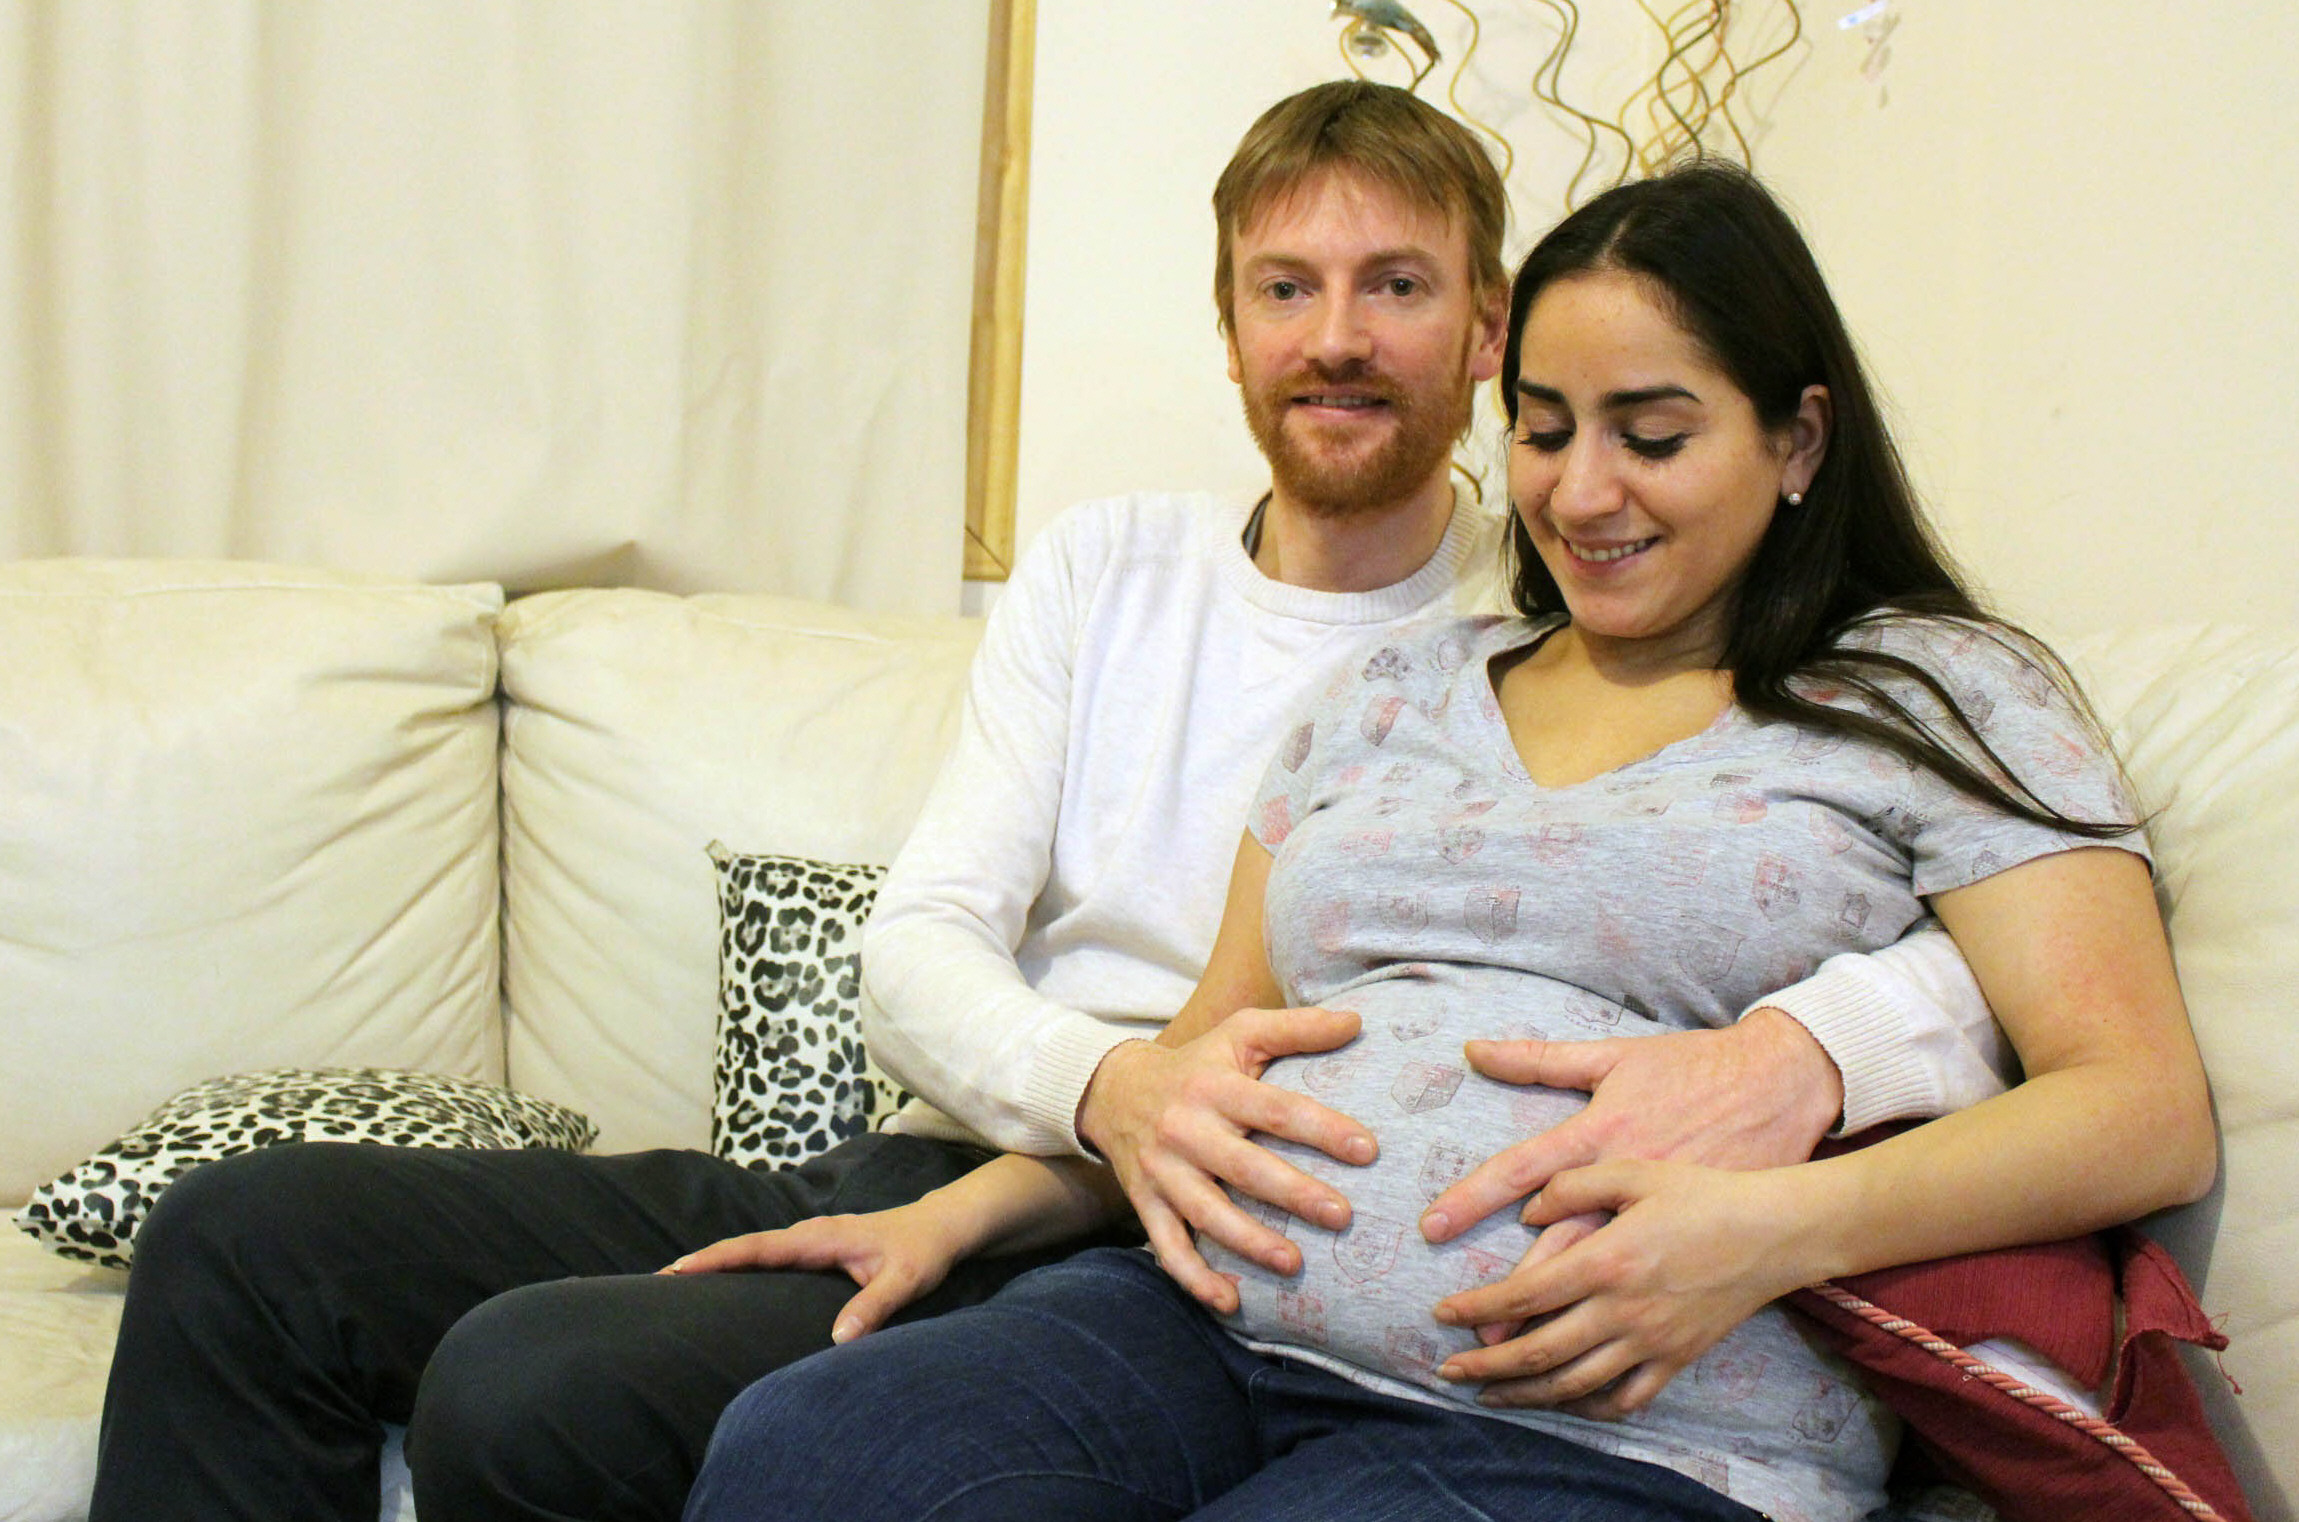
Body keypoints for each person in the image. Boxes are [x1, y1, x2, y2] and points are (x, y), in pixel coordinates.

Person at [89, 85, 1994, 1522]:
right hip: (995, 1151)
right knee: (246, 1238)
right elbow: (921, 941)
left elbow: (1909, 891)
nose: (1337, 336)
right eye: (1287, 287)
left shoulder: (1573, 611)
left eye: (1398, 288)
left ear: (1488, 331)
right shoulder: (1110, 571)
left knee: (532, 1386)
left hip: (1160, 1240)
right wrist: (1107, 1094)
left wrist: (1820, 1045)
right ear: (1229, 326)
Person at [673, 160, 2217, 1522]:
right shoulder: (1396, 685)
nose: (1582, 491)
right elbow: (1205, 1070)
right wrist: (962, 1210)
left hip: (1622, 1426)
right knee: (811, 1448)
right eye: (1542, 430)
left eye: (1652, 435)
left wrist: (1772, 1231)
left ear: (1798, 436)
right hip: (1207, 1323)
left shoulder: (1937, 692)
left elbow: (2140, 1109)